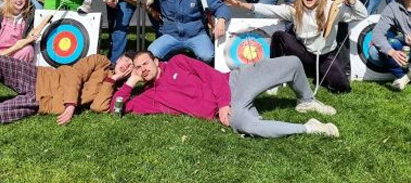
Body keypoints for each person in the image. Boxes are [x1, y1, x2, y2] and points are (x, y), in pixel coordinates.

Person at [111, 51, 340, 139]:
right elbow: (115, 108)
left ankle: (306, 101)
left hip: (232, 83)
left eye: (145, 64)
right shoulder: (148, 97)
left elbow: (211, 75)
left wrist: (222, 103)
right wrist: (130, 82)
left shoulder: (178, 61)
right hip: (230, 110)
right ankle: (310, 127)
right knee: (251, 127)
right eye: (138, 68)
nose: (143, 69)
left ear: (156, 61)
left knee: (292, 62)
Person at [225, 0, 367, 95]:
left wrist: (351, 0)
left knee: (342, 87)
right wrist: (243, 5)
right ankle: (275, 77)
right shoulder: (295, 9)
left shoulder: (332, 7)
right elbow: (270, 10)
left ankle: (319, 74)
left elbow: (362, 15)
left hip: (324, 56)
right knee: (279, 36)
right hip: (303, 53)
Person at [0, 52, 135, 124]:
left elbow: (99, 107)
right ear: (120, 57)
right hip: (40, 76)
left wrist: (114, 79)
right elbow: (74, 73)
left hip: (43, 102)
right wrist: (71, 104)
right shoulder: (100, 60)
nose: (125, 65)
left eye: (130, 67)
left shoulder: (116, 90)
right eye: (126, 60)